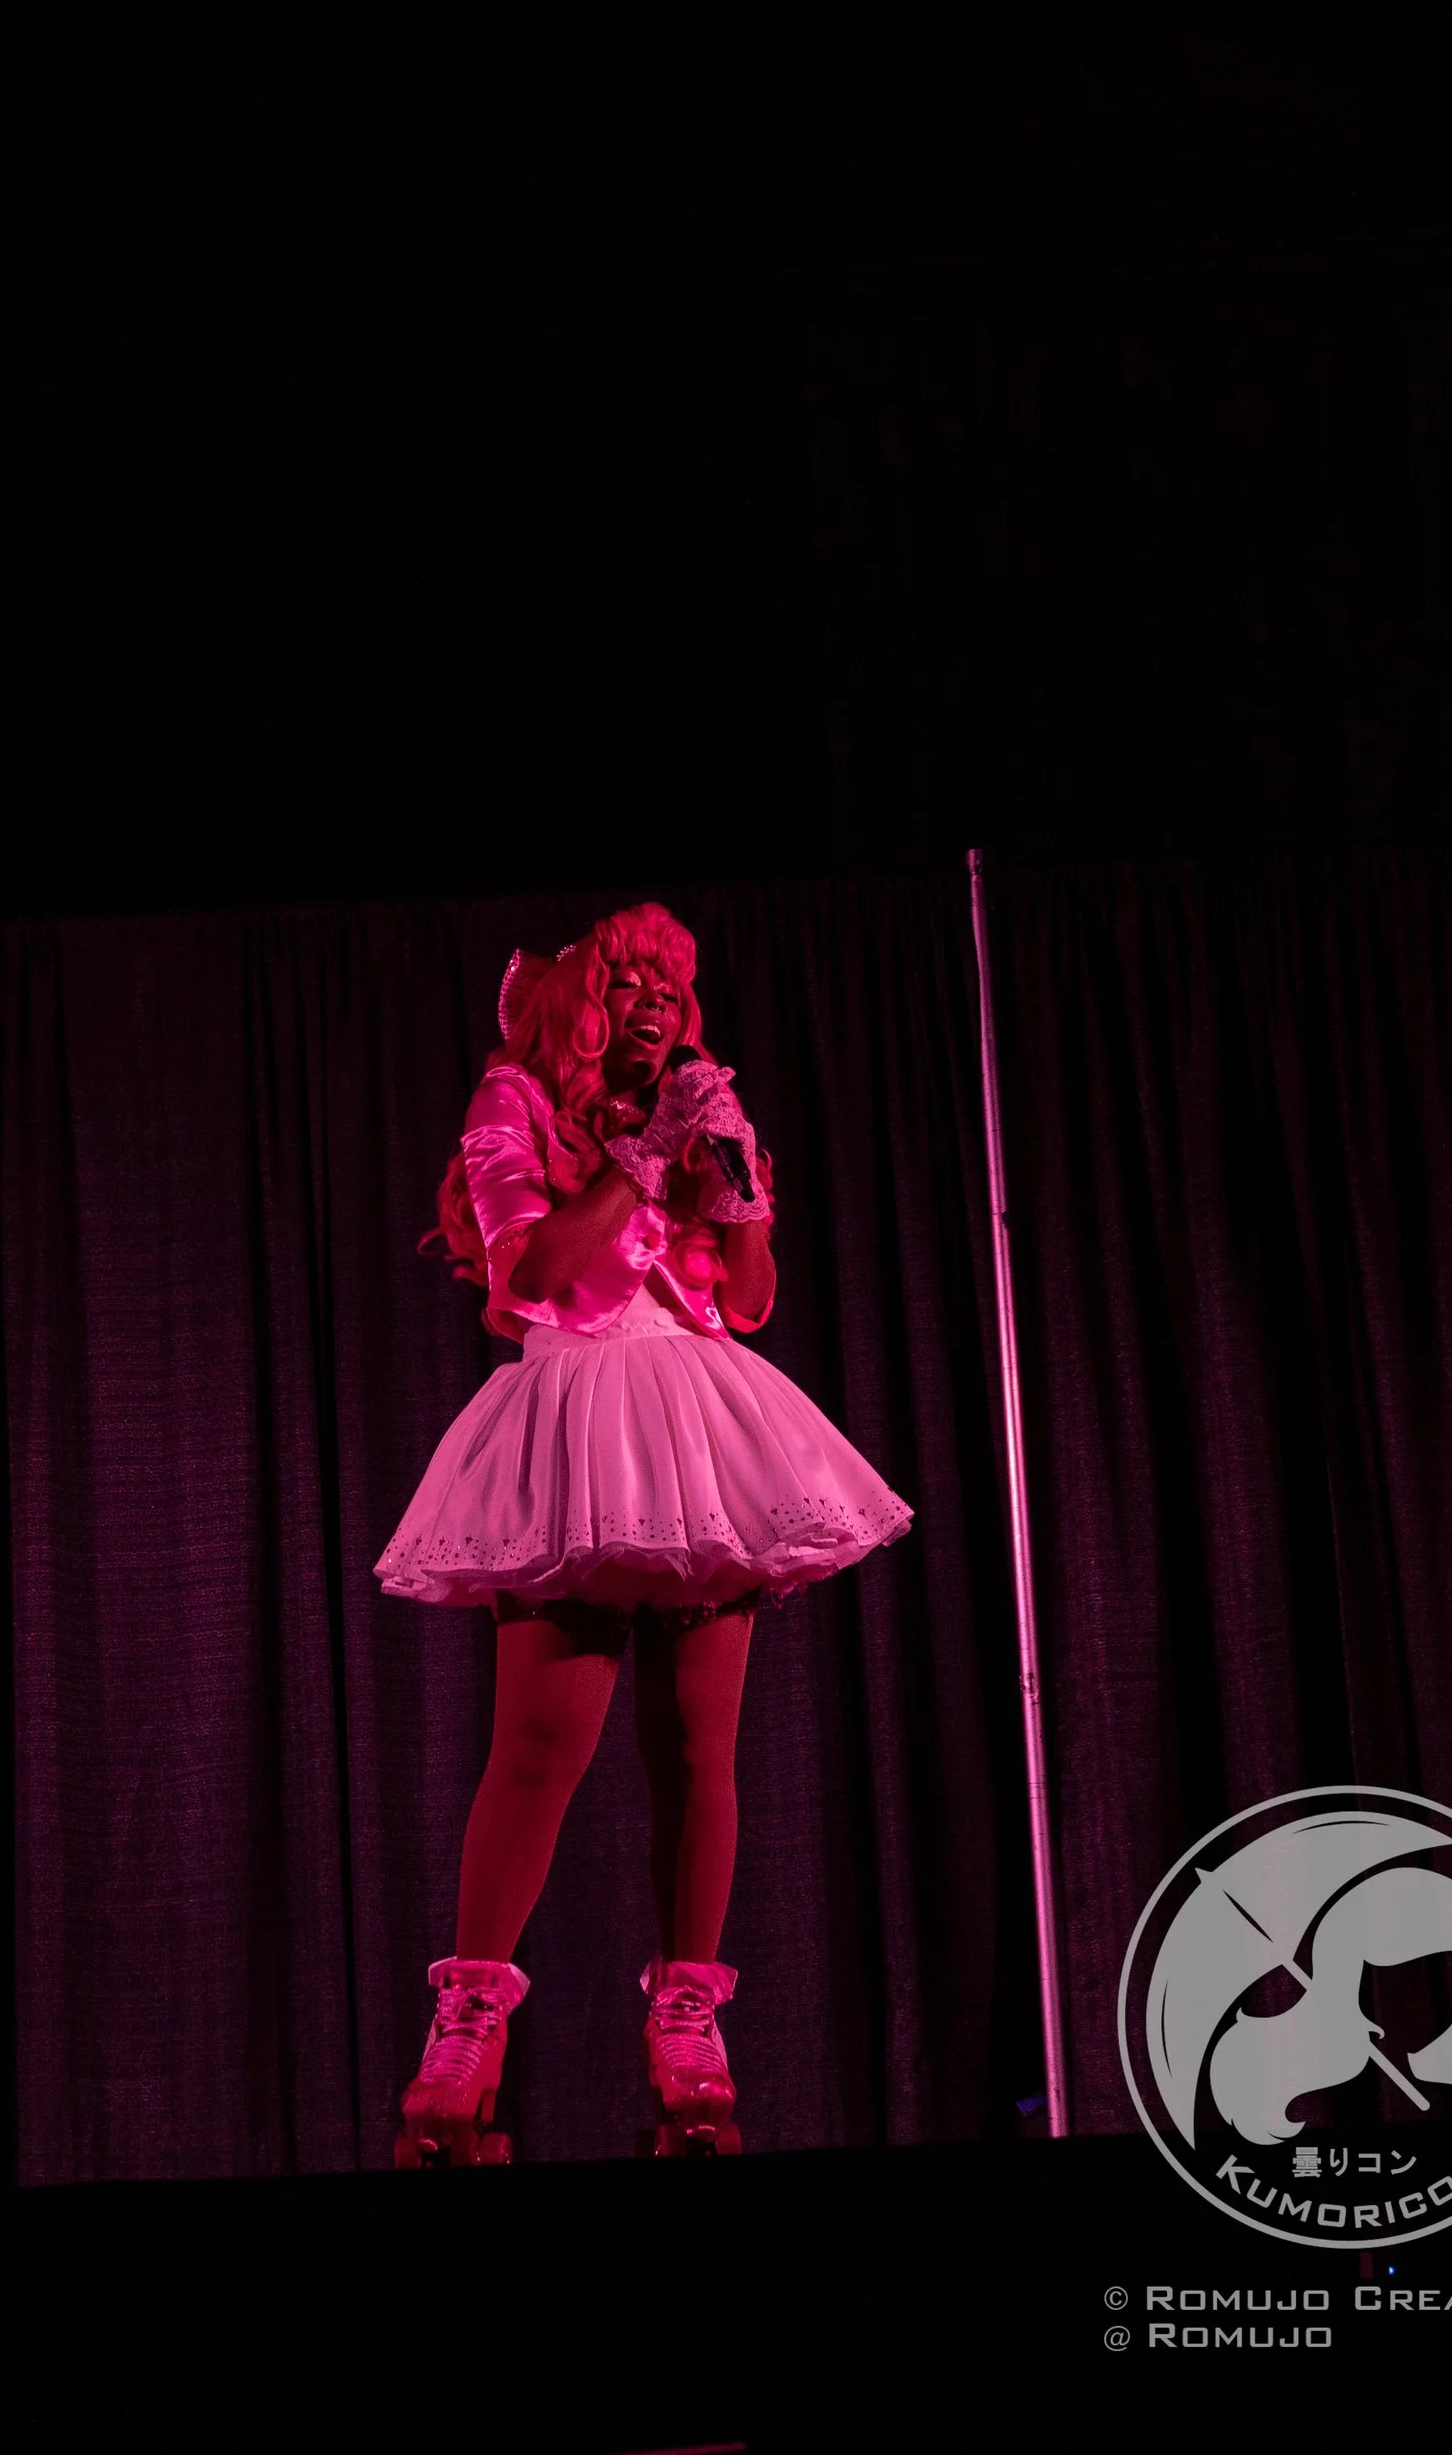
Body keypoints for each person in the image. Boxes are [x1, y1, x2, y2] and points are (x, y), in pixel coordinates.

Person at [375, 901, 913, 2161]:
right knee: (538, 1746)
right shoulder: (515, 1101)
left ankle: (686, 2016)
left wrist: (737, 1180)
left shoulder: (691, 1111)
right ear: (582, 1004)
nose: (657, 1005)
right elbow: (536, 1274)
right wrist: (640, 1156)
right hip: (577, 1411)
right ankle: (468, 2020)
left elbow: (752, 1299)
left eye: (671, 987)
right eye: (630, 985)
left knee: (694, 1743)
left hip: (701, 1423)